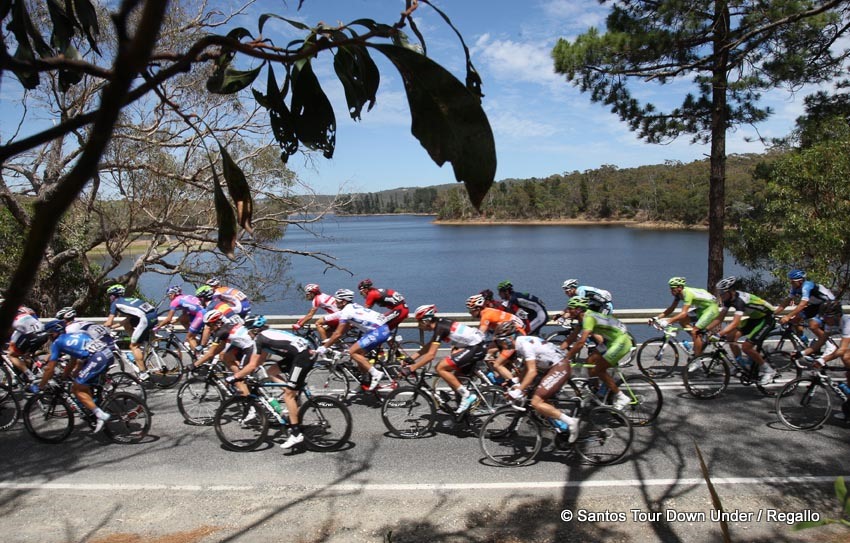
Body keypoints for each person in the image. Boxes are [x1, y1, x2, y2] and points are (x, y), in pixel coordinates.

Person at [229, 315, 316, 448]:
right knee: (271, 371)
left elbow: (252, 365)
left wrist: (235, 376)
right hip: (300, 353)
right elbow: (260, 362)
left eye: (249, 331)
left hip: (302, 357)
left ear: (255, 330)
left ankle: (296, 433)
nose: (248, 334)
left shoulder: (259, 338)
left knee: (288, 394)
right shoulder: (265, 336)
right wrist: (248, 373)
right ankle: (293, 395)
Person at [30, 319, 114, 433]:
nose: (49, 337)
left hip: (97, 358)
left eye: (50, 335)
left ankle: (100, 415)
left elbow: (49, 369)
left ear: (54, 333)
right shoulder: (73, 335)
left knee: (76, 389)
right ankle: (93, 406)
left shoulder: (57, 343)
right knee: (83, 383)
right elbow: (73, 362)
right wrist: (64, 376)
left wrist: (41, 386)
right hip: (107, 354)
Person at [552, 296, 633, 410]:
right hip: (610, 340)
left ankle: (622, 397)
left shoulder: (588, 318)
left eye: (570, 308)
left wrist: (566, 358)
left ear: (579, 309)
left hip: (621, 341)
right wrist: (557, 352)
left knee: (598, 369)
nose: (568, 311)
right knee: (589, 361)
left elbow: (581, 343)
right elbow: (570, 339)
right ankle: (597, 392)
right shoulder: (582, 319)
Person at [404, 304, 488, 414]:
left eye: (419, 322)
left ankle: (467, 396)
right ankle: (463, 414)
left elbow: (430, 355)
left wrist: (412, 368)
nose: (418, 325)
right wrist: (410, 359)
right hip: (475, 346)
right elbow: (429, 346)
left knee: (440, 368)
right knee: (455, 379)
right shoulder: (440, 323)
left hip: (475, 347)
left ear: (426, 321)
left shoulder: (440, 328)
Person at [502, 325, 580, 442]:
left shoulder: (524, 345)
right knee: (539, 399)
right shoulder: (522, 343)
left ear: (509, 339)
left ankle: (571, 422)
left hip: (559, 367)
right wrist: (516, 381)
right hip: (552, 367)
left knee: (536, 402)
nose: (500, 346)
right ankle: (562, 430)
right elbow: (527, 368)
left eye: (501, 342)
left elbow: (532, 372)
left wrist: (518, 391)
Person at [316, 289, 391, 391]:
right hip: (381, 329)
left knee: (352, 352)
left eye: (337, 301)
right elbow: (342, 324)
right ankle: (365, 382)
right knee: (359, 355)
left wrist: (325, 347)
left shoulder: (347, 311)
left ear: (343, 301)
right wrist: (324, 319)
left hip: (378, 332)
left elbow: (338, 333)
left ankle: (375, 373)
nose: (335, 302)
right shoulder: (351, 307)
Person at [709, 276, 777, 386]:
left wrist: (719, 334)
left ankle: (769, 371)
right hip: (754, 318)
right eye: (719, 293)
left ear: (730, 291)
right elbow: (720, 318)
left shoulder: (740, 301)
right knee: (731, 337)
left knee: (746, 347)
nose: (720, 296)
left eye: (722, 293)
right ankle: (740, 365)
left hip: (766, 319)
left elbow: (735, 322)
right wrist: (705, 329)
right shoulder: (728, 299)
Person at [189, 309, 255, 396]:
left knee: (238, 380)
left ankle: (250, 406)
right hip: (249, 345)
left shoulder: (221, 332)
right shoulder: (228, 325)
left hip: (250, 348)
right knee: (226, 356)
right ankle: (246, 378)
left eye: (210, 325)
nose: (209, 328)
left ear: (217, 322)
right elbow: (221, 347)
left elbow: (211, 353)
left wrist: (195, 365)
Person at [465, 294, 527, 382]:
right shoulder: (488, 311)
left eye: (471, 310)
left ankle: (515, 386)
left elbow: (479, 335)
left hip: (512, 337)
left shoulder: (486, 315)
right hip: (511, 335)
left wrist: (465, 345)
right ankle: (502, 375)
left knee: (497, 364)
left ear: (478, 308)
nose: (470, 313)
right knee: (488, 353)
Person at [103, 284, 158, 381]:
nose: (109, 298)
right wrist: (114, 327)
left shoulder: (115, 303)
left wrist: (100, 328)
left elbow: (108, 322)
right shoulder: (129, 300)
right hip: (153, 316)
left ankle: (143, 373)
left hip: (145, 319)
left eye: (110, 295)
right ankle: (140, 349)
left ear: (113, 295)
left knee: (133, 346)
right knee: (127, 324)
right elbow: (127, 320)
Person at [654, 277, 721, 357]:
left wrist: (668, 321)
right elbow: (671, 309)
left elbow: (683, 313)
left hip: (711, 309)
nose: (671, 291)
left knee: (694, 331)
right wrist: (656, 318)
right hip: (702, 309)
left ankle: (697, 359)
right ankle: (699, 339)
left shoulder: (687, 293)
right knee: (683, 321)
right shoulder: (678, 294)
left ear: (680, 287)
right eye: (670, 288)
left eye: (673, 288)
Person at [774, 269, 835, 351]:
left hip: (829, 304)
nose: (791, 283)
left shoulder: (807, 286)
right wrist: (774, 313)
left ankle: (830, 345)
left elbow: (802, 304)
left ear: (800, 281)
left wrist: (788, 316)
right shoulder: (795, 287)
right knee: (795, 320)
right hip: (817, 305)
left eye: (792, 282)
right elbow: (786, 301)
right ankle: (803, 341)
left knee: (813, 325)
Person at [811, 301, 850, 419]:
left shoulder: (847, 322)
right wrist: (801, 353)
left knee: (846, 357)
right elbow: (821, 341)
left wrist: (824, 360)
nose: (824, 320)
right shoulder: (831, 322)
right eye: (823, 317)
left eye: (826, 317)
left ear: (837, 315)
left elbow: (842, 349)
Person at [154, 286, 206, 350]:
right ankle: (195, 337)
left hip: (200, 315)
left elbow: (168, 319)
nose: (169, 298)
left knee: (189, 338)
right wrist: (175, 321)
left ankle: (198, 357)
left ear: (173, 294)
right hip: (202, 312)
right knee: (183, 321)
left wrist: (158, 327)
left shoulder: (175, 301)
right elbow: (184, 315)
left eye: (169, 295)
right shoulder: (185, 297)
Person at [5, 304, 47, 383]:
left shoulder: (7, 314)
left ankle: (29, 375)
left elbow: (9, 331)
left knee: (11, 354)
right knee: (26, 354)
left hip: (30, 335)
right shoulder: (25, 309)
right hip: (43, 333)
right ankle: (25, 376)